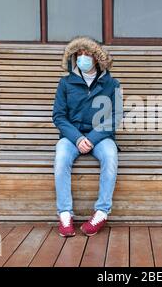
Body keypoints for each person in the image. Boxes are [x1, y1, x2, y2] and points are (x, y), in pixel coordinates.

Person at [52, 36, 123, 237]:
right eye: (79, 54)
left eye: (87, 54)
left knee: (110, 157)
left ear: (97, 57)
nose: (83, 58)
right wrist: (77, 138)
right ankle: (65, 214)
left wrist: (92, 138)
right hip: (72, 136)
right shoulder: (66, 83)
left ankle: (101, 212)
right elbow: (59, 116)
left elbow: (116, 116)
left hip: (100, 137)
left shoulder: (113, 84)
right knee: (61, 159)